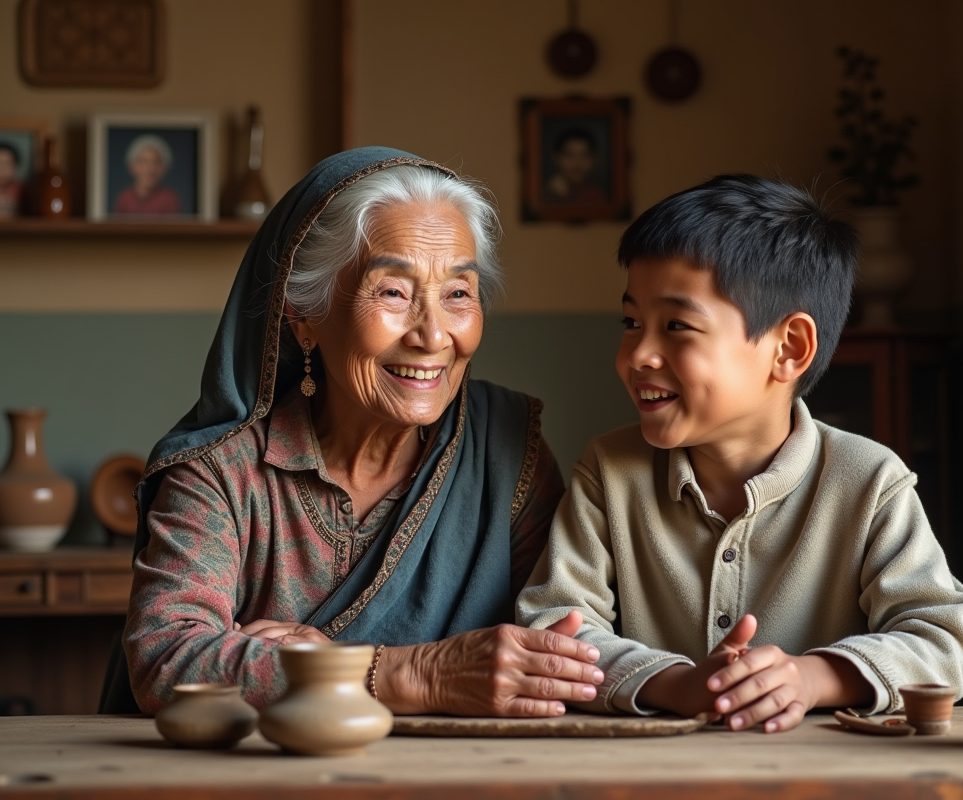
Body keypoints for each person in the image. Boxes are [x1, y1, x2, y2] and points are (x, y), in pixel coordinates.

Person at [101, 147, 605, 716]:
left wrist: (317, 665)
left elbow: (562, 648)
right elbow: (168, 659)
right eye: (393, 292)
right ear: (304, 316)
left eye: (458, 294)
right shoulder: (221, 471)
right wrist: (401, 672)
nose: (433, 335)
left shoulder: (508, 451)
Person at [517, 174, 963, 732]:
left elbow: (942, 641)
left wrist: (813, 678)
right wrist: (676, 684)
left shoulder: (870, 481)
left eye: (677, 326)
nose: (638, 354)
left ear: (789, 349)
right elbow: (553, 628)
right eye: (632, 322)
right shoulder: (609, 472)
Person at [114, 134, 183, 215]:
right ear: (132, 166)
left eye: (156, 163)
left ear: (164, 168)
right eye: (143, 162)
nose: (149, 169)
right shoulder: (124, 198)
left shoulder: (170, 199)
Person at [544, 128, 607, 205]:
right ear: (556, 158)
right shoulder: (539, 194)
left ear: (594, 159)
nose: (577, 164)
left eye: (584, 156)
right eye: (569, 155)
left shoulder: (599, 198)